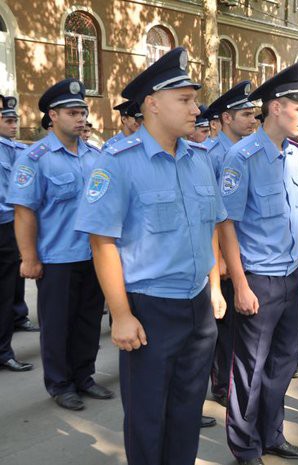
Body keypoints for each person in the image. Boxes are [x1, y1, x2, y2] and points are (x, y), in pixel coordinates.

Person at [74, 47, 228, 465]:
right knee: (147, 416)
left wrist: (214, 287)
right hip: (149, 308)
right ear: (153, 104)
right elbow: (102, 242)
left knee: (185, 411)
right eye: (186, 100)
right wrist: (121, 314)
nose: (197, 108)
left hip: (197, 306)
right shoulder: (117, 163)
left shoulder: (199, 161)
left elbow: (210, 228)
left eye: (195, 99)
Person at [218, 60, 298, 465]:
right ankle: (244, 447)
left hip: (291, 276)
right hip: (258, 279)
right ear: (276, 107)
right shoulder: (242, 157)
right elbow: (227, 225)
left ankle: (271, 434)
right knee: (250, 370)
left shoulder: (295, 156)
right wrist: (239, 284)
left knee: (284, 362)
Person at [7, 79, 111, 409]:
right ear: (52, 115)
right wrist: (29, 258)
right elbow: (24, 213)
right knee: (57, 325)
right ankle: (60, 383)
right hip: (56, 257)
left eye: (83, 112)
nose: (80, 118)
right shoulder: (35, 159)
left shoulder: (95, 156)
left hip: (94, 256)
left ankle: (83, 376)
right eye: (72, 112)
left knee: (88, 321)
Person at [202, 79, 257, 404]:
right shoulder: (211, 154)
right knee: (222, 325)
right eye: (245, 114)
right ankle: (222, 385)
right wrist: (220, 258)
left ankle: (234, 378)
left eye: (253, 114)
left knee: (240, 324)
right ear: (225, 118)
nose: (252, 120)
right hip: (221, 254)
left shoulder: (248, 152)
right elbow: (213, 215)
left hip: (244, 250)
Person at [0, 95, 34, 372]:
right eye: (8, 121)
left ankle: (3, 350)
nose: (14, 126)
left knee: (7, 290)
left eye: (15, 121)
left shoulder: (14, 149)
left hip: (6, 226)